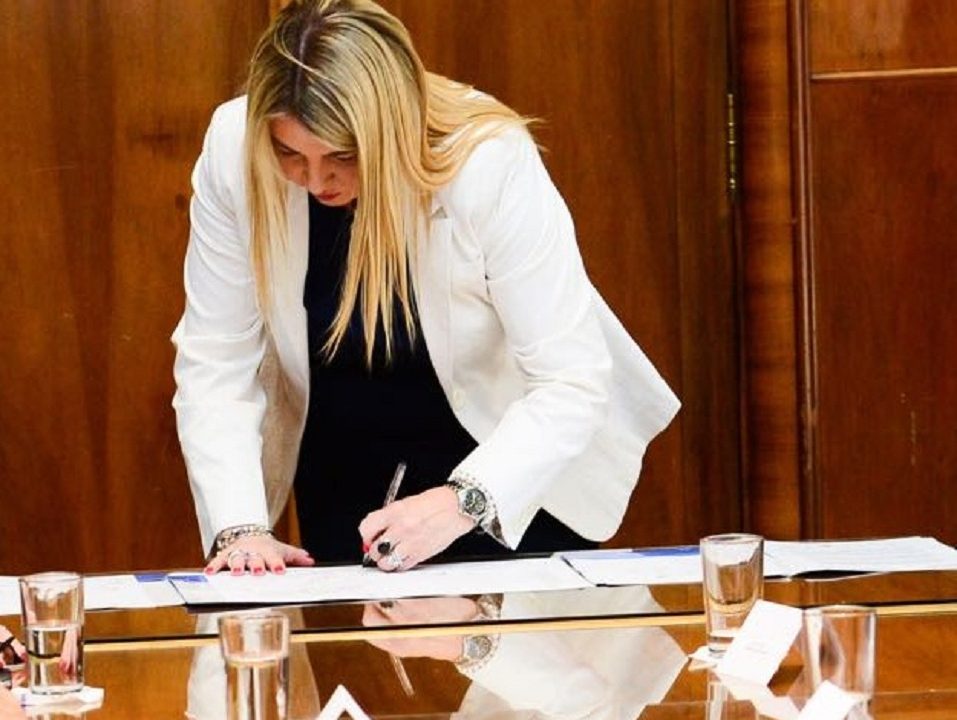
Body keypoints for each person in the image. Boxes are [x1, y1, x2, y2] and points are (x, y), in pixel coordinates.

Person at [173, 0, 680, 575]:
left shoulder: (487, 160)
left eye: (343, 155)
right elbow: (216, 358)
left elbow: (571, 378)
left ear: (390, 130)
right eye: (289, 154)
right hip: (345, 480)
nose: (315, 180)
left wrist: (465, 500)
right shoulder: (233, 148)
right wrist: (240, 529)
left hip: (509, 484)